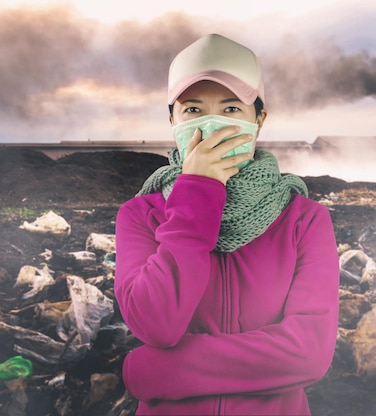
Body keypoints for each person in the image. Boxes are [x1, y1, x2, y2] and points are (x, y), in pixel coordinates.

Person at [114, 33, 339, 415]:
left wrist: (159, 369)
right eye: (194, 109)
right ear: (173, 120)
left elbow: (308, 354)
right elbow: (156, 324)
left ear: (259, 119)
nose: (212, 124)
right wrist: (197, 192)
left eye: (232, 109)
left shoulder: (303, 219)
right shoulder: (141, 215)